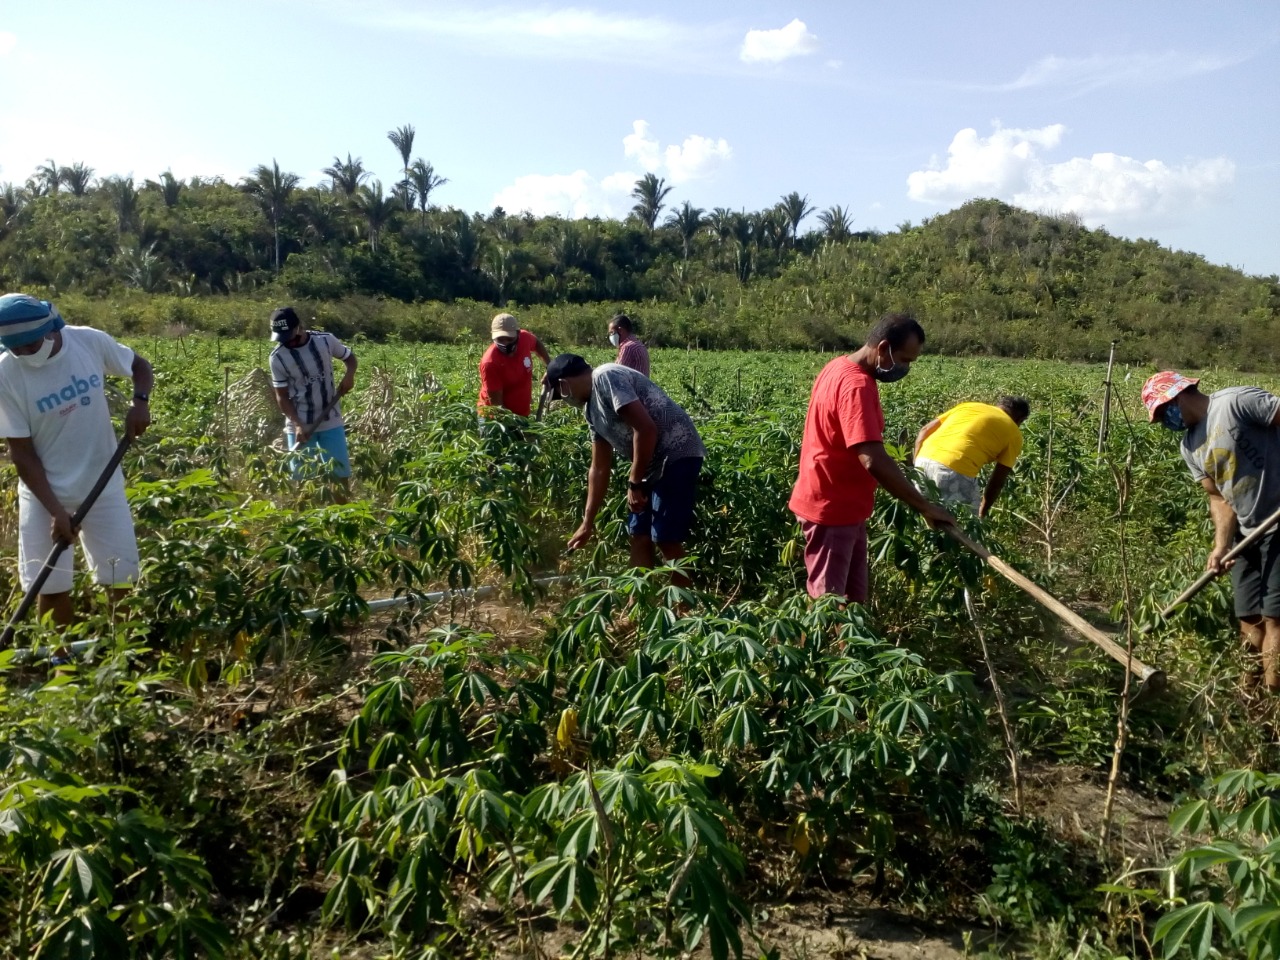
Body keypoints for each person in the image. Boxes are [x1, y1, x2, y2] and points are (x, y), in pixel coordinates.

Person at [0, 293, 153, 628]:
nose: (25, 353)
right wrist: (56, 510)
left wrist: (140, 402)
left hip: (103, 486)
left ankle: (120, 655)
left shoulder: (87, 342)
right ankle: (62, 668)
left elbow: (139, 366)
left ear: (51, 328)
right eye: (15, 347)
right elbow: (22, 453)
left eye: (30, 344)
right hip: (44, 495)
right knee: (52, 587)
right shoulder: (6, 374)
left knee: (120, 577)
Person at [788, 313, 955, 603]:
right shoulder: (857, 386)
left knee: (852, 606)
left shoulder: (837, 366)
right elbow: (872, 459)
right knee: (827, 605)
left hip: (844, 507)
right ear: (883, 348)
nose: (905, 368)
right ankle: (826, 650)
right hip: (831, 508)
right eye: (904, 359)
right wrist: (924, 506)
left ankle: (850, 649)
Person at [1143, 371, 1280, 692]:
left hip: (1278, 524)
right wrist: (1220, 546)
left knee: (1276, 619)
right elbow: (1219, 497)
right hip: (1245, 534)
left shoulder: (1236, 402)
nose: (1166, 421)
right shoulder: (1190, 446)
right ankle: (1251, 705)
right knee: (1250, 621)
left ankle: (1275, 714)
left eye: (1165, 413)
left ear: (1178, 397)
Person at [551, 354, 704, 585]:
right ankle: (636, 605)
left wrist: (634, 483)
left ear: (564, 384)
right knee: (639, 535)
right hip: (649, 464)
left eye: (561, 394)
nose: (566, 400)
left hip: (676, 453)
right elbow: (599, 468)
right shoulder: (591, 411)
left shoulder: (606, 376)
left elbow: (646, 430)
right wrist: (587, 523)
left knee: (664, 537)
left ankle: (685, 607)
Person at [268, 306, 357, 485]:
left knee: (339, 477)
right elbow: (282, 396)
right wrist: (298, 425)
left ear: (298, 328)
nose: (286, 343)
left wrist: (349, 376)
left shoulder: (325, 341)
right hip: (300, 424)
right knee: (303, 481)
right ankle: (308, 513)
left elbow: (350, 358)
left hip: (330, 419)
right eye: (281, 339)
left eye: (289, 337)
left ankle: (343, 512)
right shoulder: (277, 357)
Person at [914, 396, 1031, 516]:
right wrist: (983, 510)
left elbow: (925, 430)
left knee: (928, 517)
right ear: (1020, 419)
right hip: (954, 472)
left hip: (922, 461)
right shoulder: (1014, 434)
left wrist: (915, 464)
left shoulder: (968, 406)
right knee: (966, 526)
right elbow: (997, 481)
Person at [478, 312, 550, 416]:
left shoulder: (524, 338)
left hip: (521, 414)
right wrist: (518, 428)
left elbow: (536, 343)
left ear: (518, 334)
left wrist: (549, 366)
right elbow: (498, 408)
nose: (505, 343)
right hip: (495, 419)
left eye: (509, 339)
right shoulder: (490, 363)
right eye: (500, 339)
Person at [609, 313, 650, 377]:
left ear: (620, 330)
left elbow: (617, 374)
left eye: (612, 332)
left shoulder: (628, 347)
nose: (611, 336)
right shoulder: (638, 344)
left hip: (633, 386)